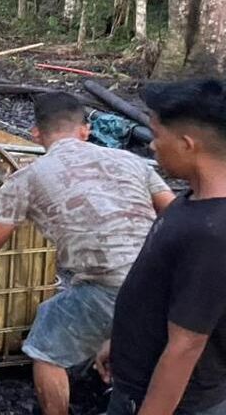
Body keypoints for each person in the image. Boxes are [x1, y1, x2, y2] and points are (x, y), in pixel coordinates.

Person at [0, 92, 173, 415]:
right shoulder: (131, 161)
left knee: (46, 346)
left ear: (35, 134)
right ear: (86, 130)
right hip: (165, 280)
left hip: (109, 285)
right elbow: (172, 212)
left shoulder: (25, 179)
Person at [94, 79, 226, 415]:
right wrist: (122, 345)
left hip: (174, 402)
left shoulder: (212, 233)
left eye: (156, 136)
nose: (152, 146)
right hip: (138, 381)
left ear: (186, 144)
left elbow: (187, 345)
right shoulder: (194, 200)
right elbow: (162, 291)